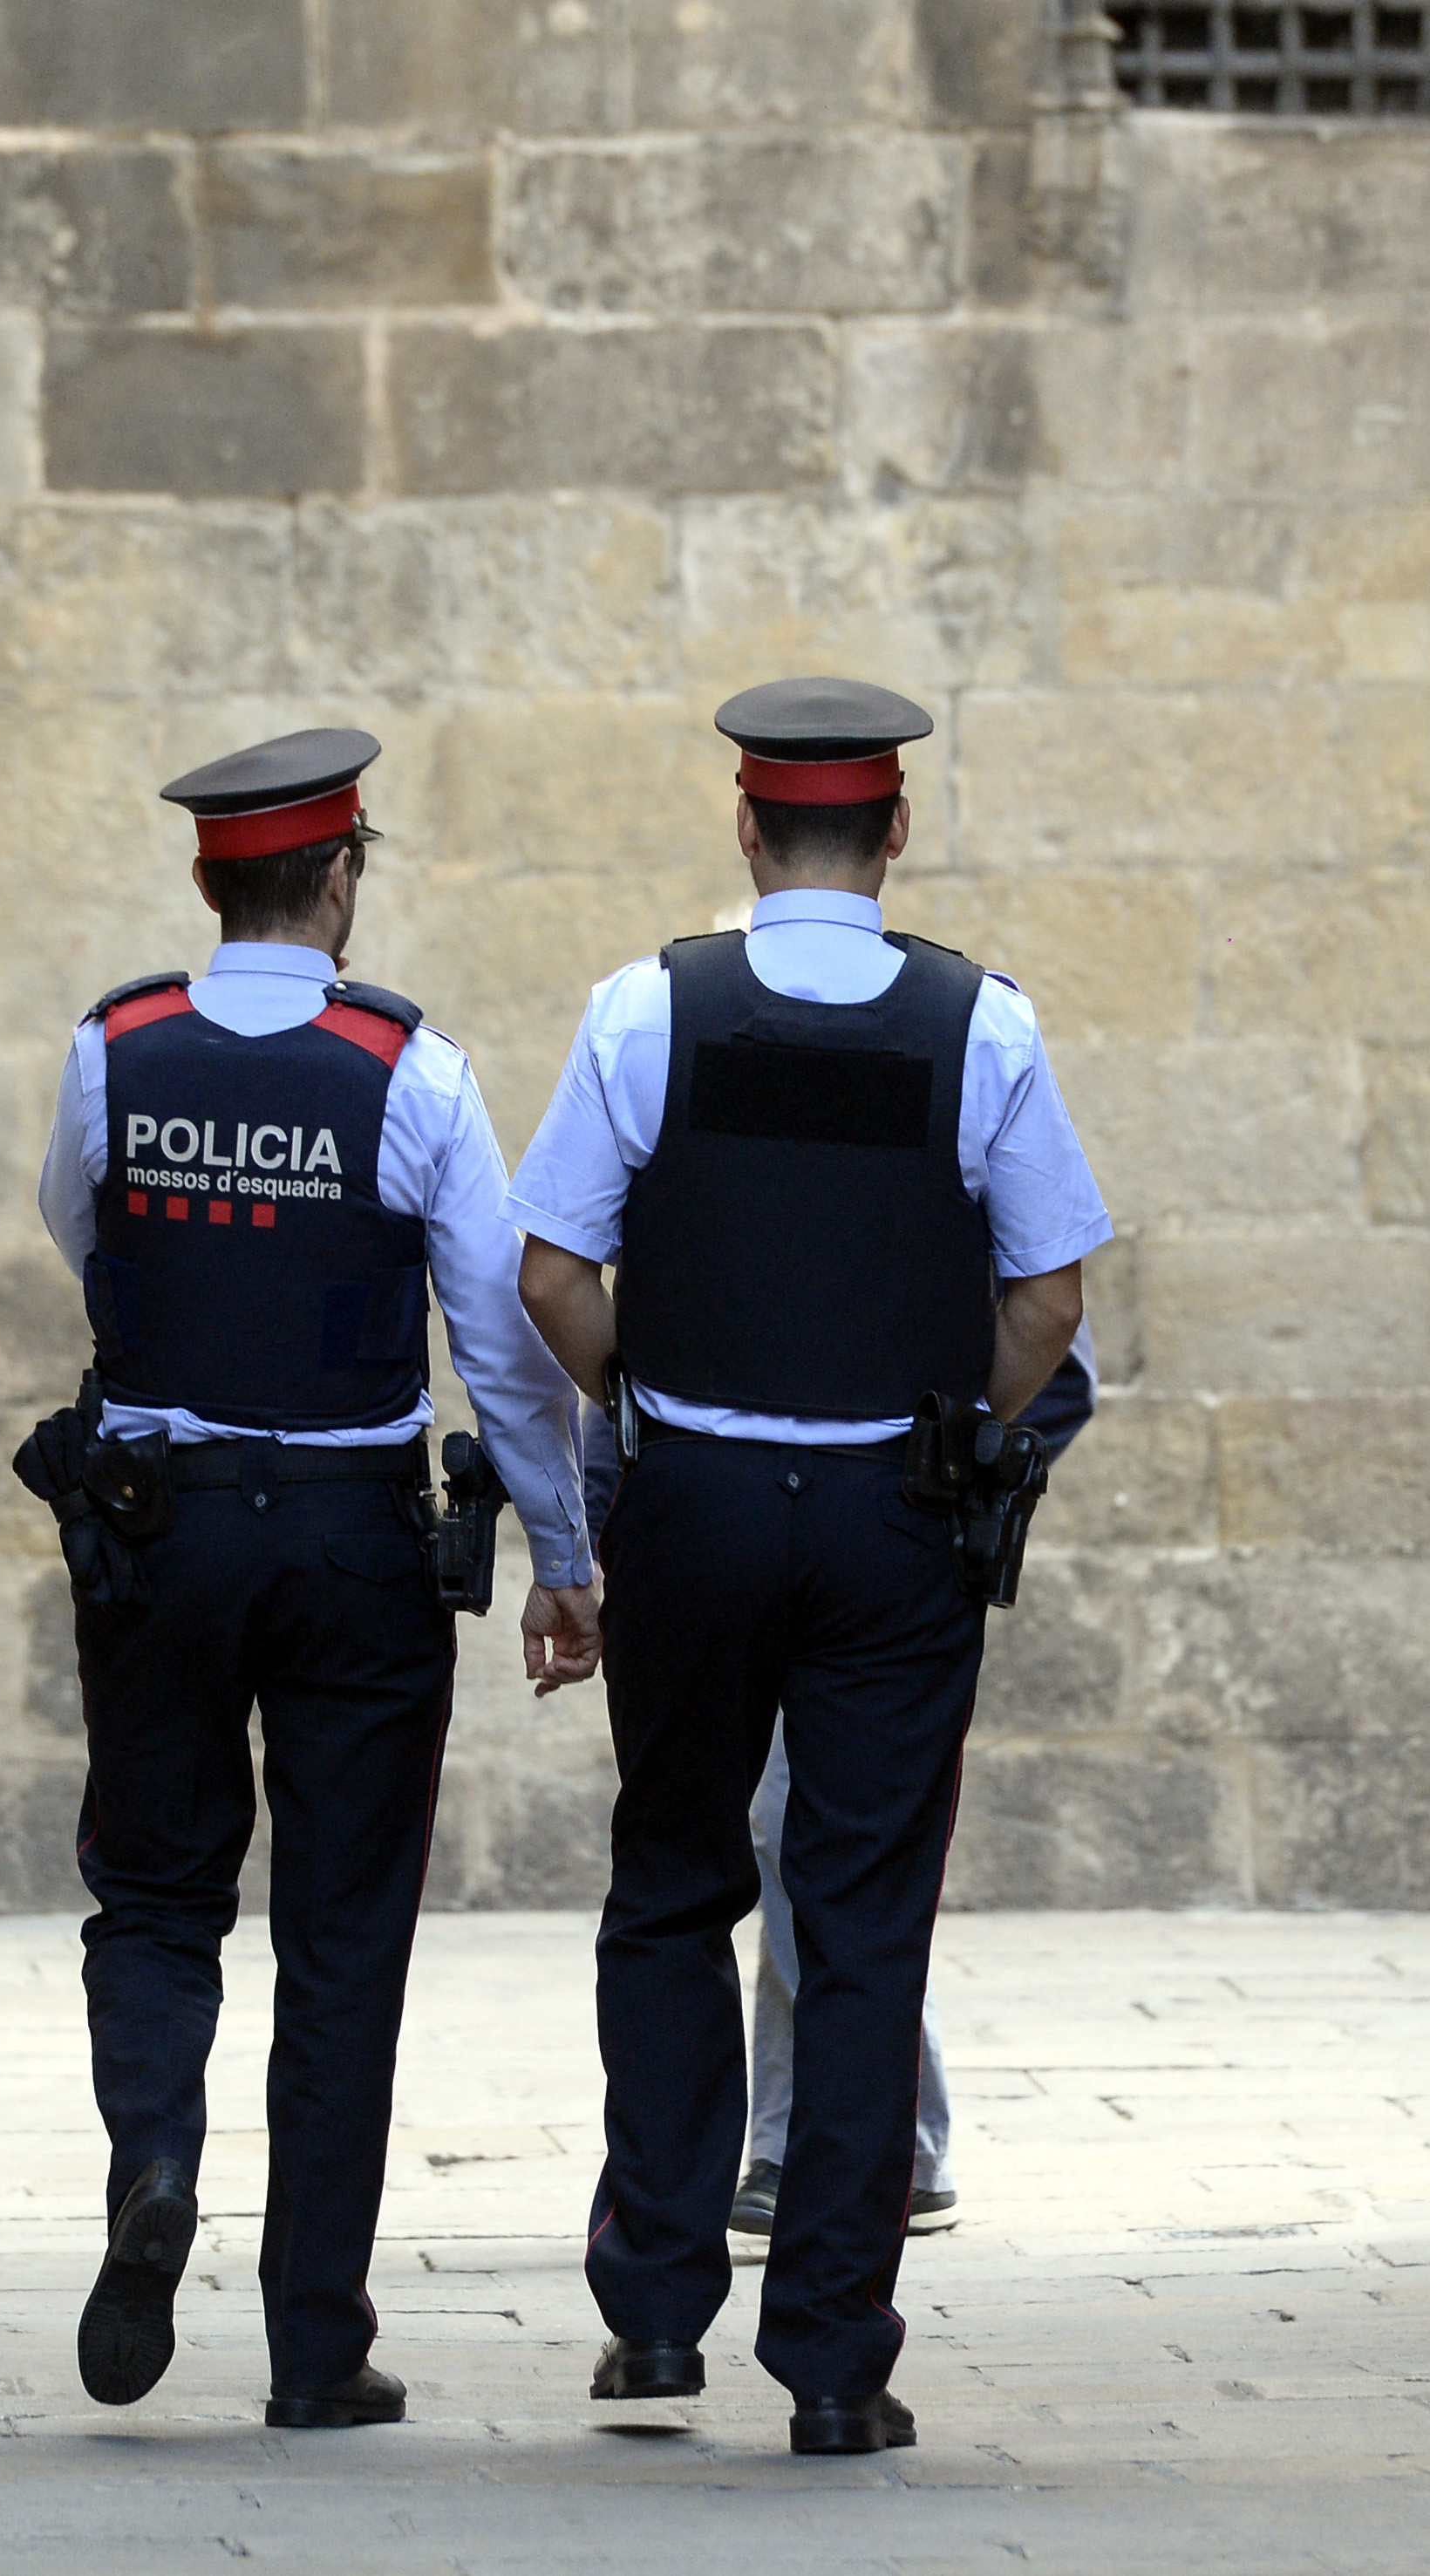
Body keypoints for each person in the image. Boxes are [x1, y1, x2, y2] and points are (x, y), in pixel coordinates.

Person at [510, 678, 1113, 2457]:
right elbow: (1051, 1299)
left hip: (690, 1503)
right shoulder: (980, 1024)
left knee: (671, 1886)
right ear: (897, 831)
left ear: (750, 831)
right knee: (860, 1922)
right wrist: (953, 1430)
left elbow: (550, 1273)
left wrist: (652, 1390)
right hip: (889, 1524)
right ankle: (836, 2354)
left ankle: (651, 2319)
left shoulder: (646, 1010)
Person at [24, 727, 602, 2432]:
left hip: (159, 1523)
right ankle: (312, 2340)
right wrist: (565, 1558)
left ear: (212, 881)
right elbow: (500, 1342)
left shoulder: (114, 1047)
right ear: (339, 878)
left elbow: (84, 1230)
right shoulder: (408, 1067)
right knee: (343, 1942)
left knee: (151, 1888)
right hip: (353, 1533)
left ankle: (151, 2159)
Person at [722, 1320, 1098, 2248]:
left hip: (880, 1543)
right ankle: (873, 2143)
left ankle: (842, 2142)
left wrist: (938, 1473)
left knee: (806, 1836)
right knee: (792, 1842)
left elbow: (1059, 1360)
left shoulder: (944, 1174)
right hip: (746, 1534)